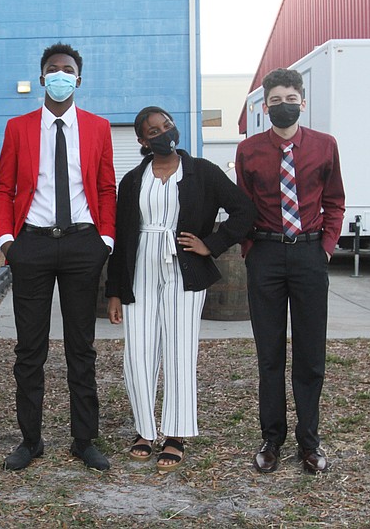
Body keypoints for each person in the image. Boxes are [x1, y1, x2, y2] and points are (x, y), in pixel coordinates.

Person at [105, 106, 256, 474]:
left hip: (183, 270)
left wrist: (212, 244)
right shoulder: (132, 180)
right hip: (140, 267)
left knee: (179, 350)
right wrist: (114, 291)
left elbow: (244, 211)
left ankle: (175, 433)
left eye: (167, 125)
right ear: (142, 141)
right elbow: (123, 236)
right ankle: (144, 429)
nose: (163, 133)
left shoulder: (202, 172)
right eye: (153, 130)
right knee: (137, 353)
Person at [0, 43, 116, 471]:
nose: (60, 74)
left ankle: (85, 440)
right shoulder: (19, 127)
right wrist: (9, 241)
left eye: (68, 69)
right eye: (52, 69)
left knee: (82, 349)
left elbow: (105, 187)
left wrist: (106, 240)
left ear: (78, 79)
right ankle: (30, 440)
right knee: (30, 351)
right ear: (42, 77)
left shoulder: (98, 128)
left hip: (84, 245)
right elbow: (5, 188)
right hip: (33, 245)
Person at [235, 68, 345, 475]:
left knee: (310, 355)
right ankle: (271, 437)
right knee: (269, 355)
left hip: (309, 256)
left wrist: (327, 249)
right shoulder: (248, 151)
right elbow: (242, 208)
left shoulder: (325, 146)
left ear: (303, 100)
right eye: (276, 100)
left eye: (290, 98)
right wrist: (250, 249)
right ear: (265, 107)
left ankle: (309, 441)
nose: (284, 105)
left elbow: (335, 201)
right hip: (264, 255)